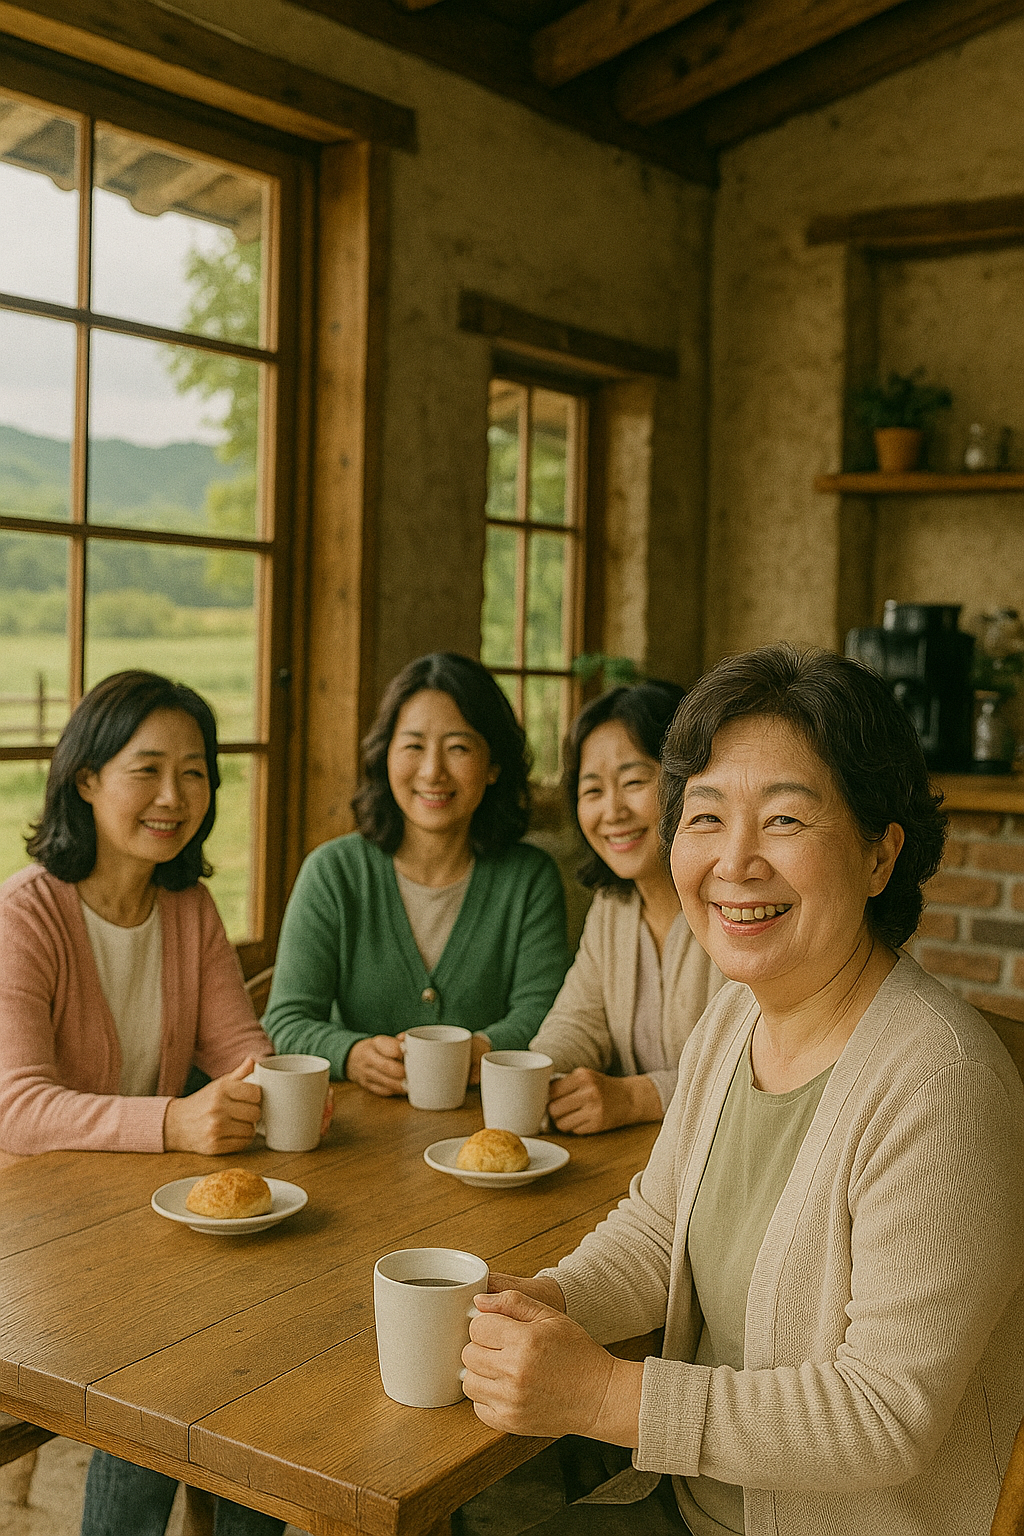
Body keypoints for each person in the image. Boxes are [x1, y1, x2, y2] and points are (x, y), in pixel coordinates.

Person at [457, 643, 1024, 1536]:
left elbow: (883, 1413)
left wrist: (605, 1395)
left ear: (882, 855)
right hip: (691, 1505)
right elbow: (658, 1228)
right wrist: (546, 1301)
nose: (736, 861)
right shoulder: (735, 1018)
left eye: (787, 821)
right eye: (707, 817)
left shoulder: (939, 1081)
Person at [0, 670, 285, 1536]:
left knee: (261, 1333)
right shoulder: (27, 914)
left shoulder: (185, 905)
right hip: (33, 1233)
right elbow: (16, 1108)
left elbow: (242, 1048)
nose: (174, 796)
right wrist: (174, 1121)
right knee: (168, 1358)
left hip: (139, 1217)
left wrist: (268, 1088)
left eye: (195, 772)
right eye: (147, 769)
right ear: (86, 778)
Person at [264, 652, 571, 1092]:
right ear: (385, 756)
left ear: (493, 766)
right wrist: (350, 1055)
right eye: (412, 746)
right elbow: (285, 1021)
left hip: (489, 1125)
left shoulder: (529, 879)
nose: (432, 772)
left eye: (458, 748)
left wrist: (482, 1048)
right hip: (357, 1139)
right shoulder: (333, 873)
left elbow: (546, 1012)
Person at [531, 683, 727, 1134]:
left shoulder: (738, 906)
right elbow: (577, 1021)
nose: (613, 811)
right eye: (593, 790)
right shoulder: (612, 907)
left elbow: (763, 1066)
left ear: (687, 784)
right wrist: (535, 1075)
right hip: (640, 1161)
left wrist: (639, 1096)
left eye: (634, 782)